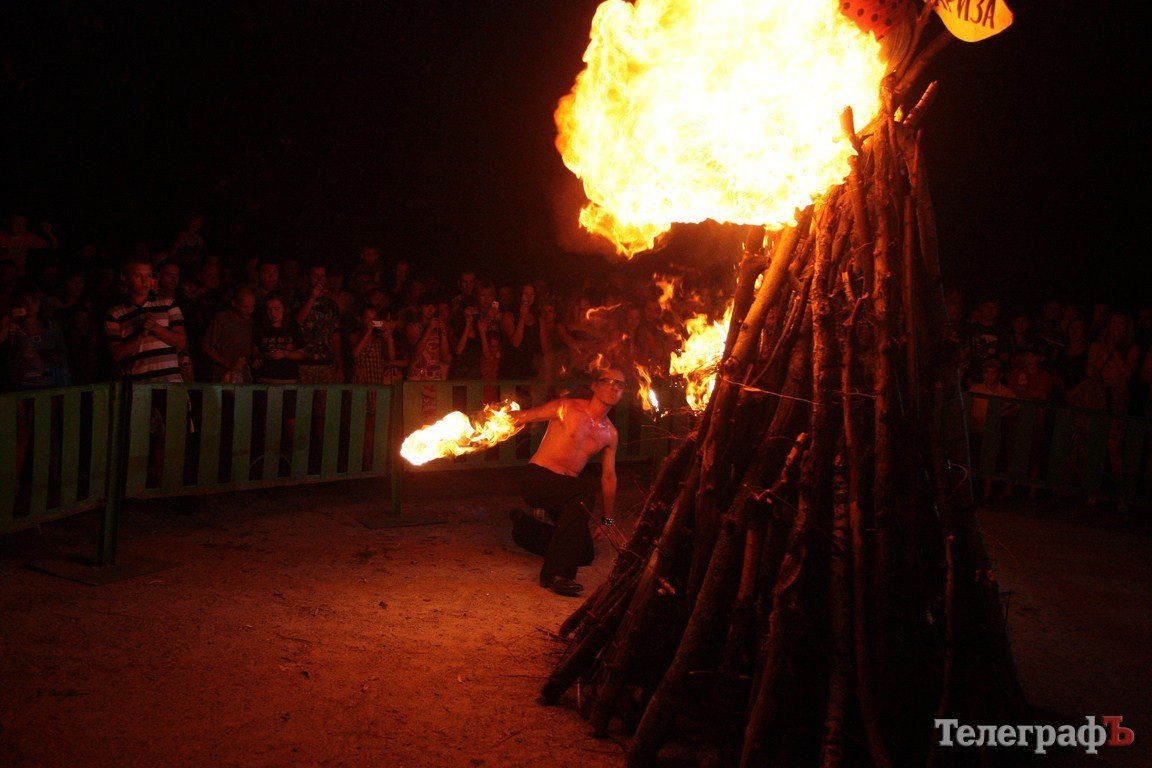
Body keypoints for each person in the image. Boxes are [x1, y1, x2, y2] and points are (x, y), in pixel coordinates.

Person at [509, 368, 623, 597]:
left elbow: (609, 477)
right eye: (608, 382)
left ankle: (524, 529)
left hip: (566, 492)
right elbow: (525, 416)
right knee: (584, 491)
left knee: (585, 554)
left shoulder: (610, 433)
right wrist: (491, 420)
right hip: (537, 478)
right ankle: (556, 575)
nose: (613, 387)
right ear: (594, 386)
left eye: (619, 384)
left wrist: (608, 520)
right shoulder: (566, 408)